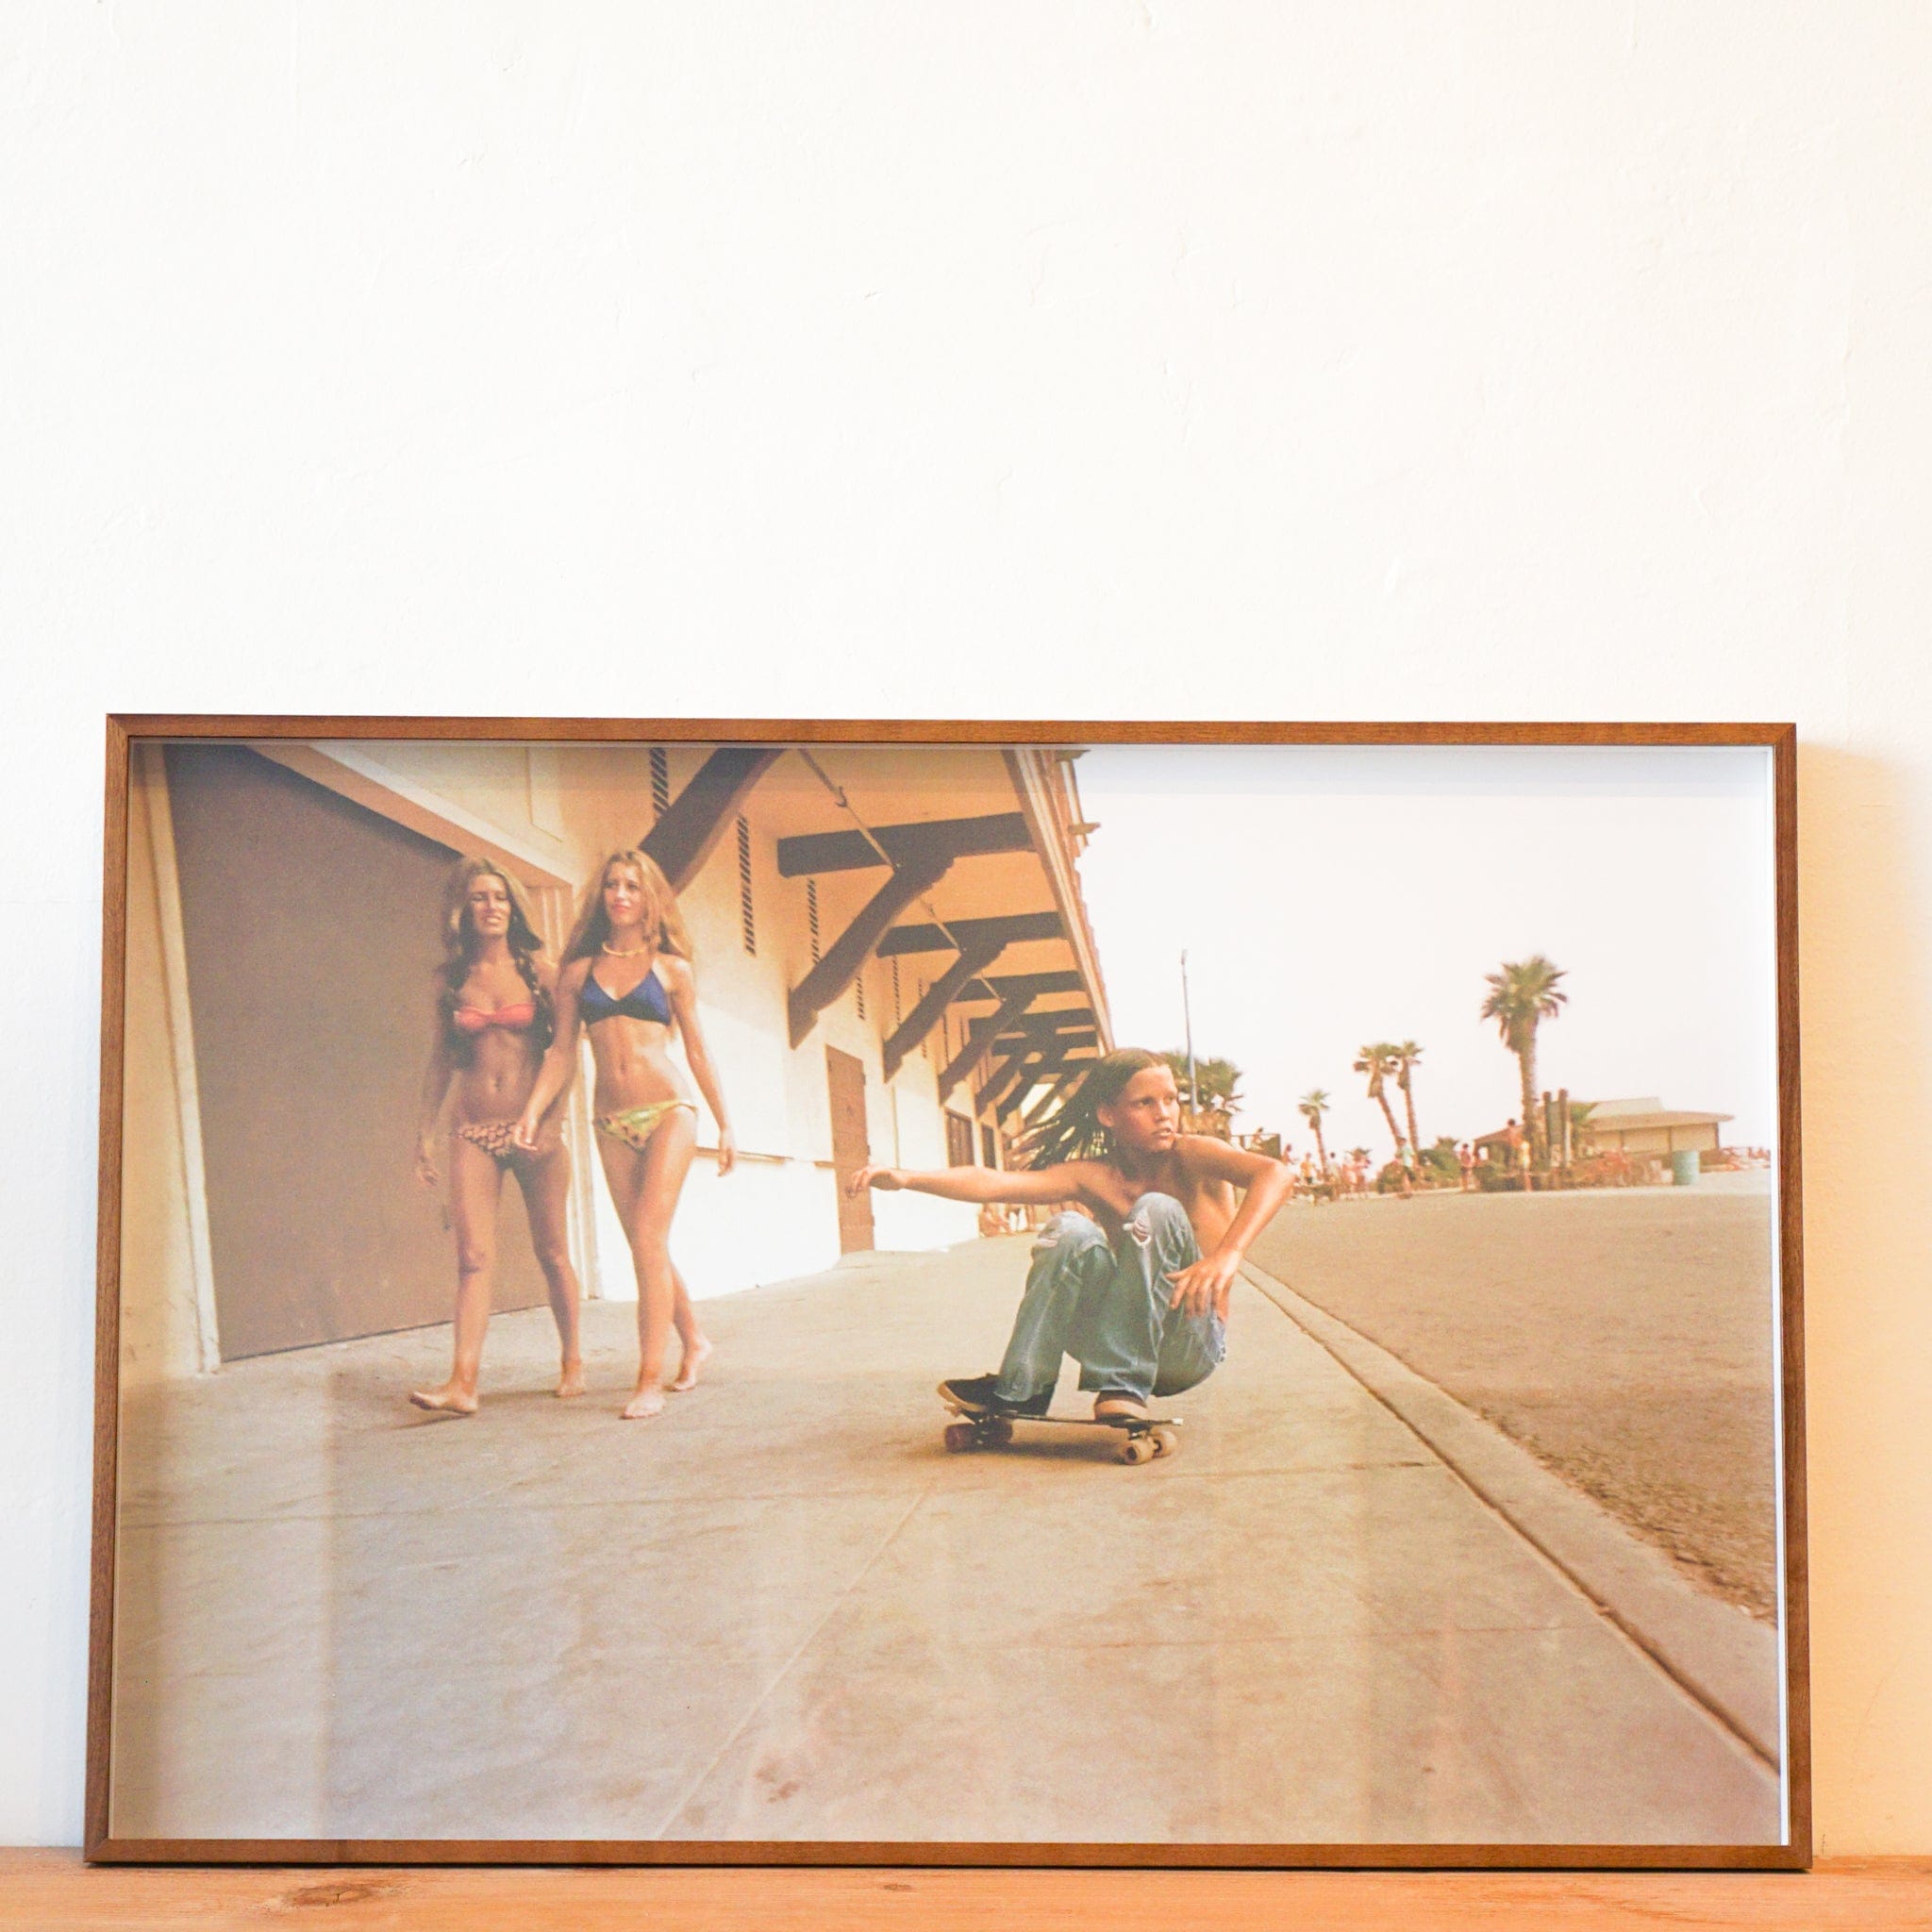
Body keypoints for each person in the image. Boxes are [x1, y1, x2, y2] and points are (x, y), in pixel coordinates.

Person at [846, 1049, 1293, 1422]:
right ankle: (1022, 1387)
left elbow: (1274, 1174)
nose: (1165, 1115)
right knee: (1068, 1230)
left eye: (1171, 1100)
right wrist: (906, 1178)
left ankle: (1122, 1384)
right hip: (1119, 1335)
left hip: (1188, 1345)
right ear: (1107, 1114)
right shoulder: (1093, 1176)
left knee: (1155, 1210)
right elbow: (995, 1182)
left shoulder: (1193, 1155)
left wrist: (1228, 1254)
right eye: (1145, 1104)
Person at [516, 848, 734, 1420]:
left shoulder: (671, 969)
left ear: (649, 897)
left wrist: (726, 1122)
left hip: (669, 1109)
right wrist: (534, 1110)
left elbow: (697, 1049)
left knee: (645, 1238)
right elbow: (562, 1052)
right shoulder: (577, 972)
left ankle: (648, 1380)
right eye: (613, 885)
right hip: (609, 1120)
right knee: (647, 1241)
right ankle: (695, 1340)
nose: (621, 895)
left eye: (633, 886)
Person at [409, 858, 584, 1416]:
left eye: (501, 897)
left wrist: (553, 1122)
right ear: (464, 909)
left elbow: (564, 1054)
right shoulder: (451, 980)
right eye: (481, 898)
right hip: (473, 1128)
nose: (492, 907)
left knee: (552, 1251)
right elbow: (440, 1060)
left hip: (534, 1127)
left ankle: (573, 1359)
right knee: (472, 1256)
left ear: (515, 907)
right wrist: (424, 1134)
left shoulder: (543, 971)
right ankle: (463, 1383)